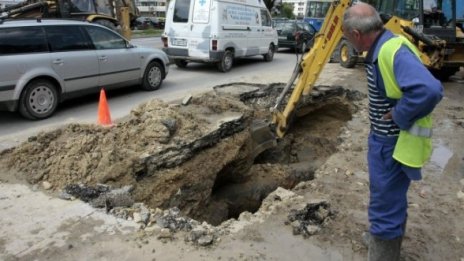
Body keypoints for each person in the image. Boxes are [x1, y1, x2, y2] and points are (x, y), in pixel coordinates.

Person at [342, 3, 443, 261]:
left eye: (346, 36)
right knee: (389, 199)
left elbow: (429, 90)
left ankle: (383, 253)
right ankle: (383, 242)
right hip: (387, 140)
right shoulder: (385, 45)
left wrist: (399, 115)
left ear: (355, 33)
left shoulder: (390, 51)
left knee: (385, 205)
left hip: (392, 143)